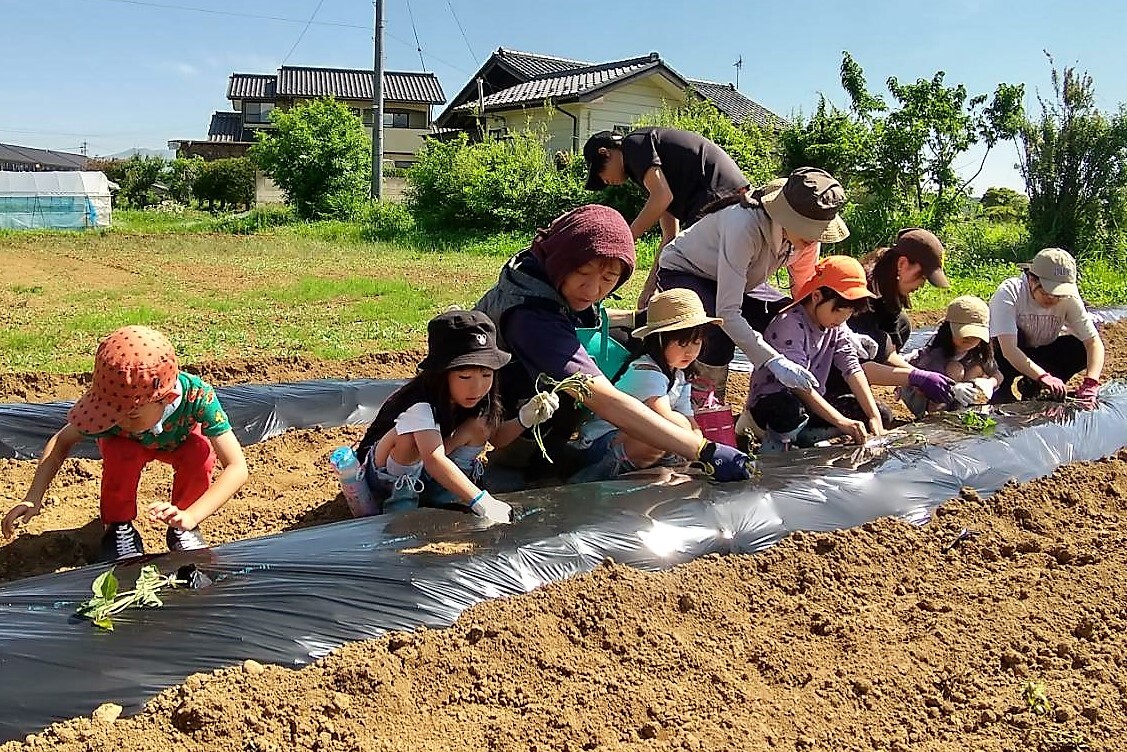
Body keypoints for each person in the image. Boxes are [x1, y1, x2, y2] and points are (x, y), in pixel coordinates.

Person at [474, 204, 753, 485]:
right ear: (562, 260)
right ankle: (520, 468)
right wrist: (703, 450)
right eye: (583, 272)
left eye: (608, 279)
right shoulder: (530, 317)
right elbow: (601, 396)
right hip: (488, 426)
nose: (594, 290)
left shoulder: (548, 273)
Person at [1, 325, 248, 561]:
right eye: (108, 412)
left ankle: (182, 526)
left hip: (177, 442)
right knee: (120, 452)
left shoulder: (198, 397)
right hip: (127, 446)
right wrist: (33, 497)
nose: (116, 419)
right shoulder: (116, 407)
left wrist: (192, 514)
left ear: (166, 398)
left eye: (130, 414)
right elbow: (61, 441)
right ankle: (118, 526)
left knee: (200, 451)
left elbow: (237, 467)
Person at [649, 166, 851, 405]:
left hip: (740, 278)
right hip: (687, 270)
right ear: (787, 216)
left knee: (787, 317)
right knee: (715, 328)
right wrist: (774, 361)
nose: (815, 239)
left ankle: (770, 403)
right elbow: (728, 312)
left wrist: (842, 333)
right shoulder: (744, 226)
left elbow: (805, 296)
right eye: (809, 230)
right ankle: (702, 404)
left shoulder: (806, 240)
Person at [353, 310, 559, 524]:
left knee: (480, 425)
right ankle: (400, 504)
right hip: (383, 476)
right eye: (464, 376)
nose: (477, 387)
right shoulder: (418, 403)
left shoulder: (482, 399)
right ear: (441, 374)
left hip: (428, 467)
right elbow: (434, 459)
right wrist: (481, 501)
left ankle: (443, 493)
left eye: (486, 375)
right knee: (409, 437)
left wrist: (525, 419)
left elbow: (496, 439)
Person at [582, 127, 751, 306]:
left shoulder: (633, 145)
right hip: (728, 199)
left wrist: (623, 240)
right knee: (700, 267)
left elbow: (662, 197)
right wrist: (649, 288)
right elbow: (670, 237)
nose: (604, 181)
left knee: (682, 269)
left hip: (718, 197)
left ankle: (705, 324)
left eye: (599, 173)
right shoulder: (656, 170)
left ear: (605, 153)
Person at [569, 288, 720, 482]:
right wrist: (698, 448)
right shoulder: (646, 371)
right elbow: (662, 417)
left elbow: (689, 419)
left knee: (680, 430)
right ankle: (591, 478)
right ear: (659, 339)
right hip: (600, 444)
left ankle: (666, 470)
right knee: (666, 432)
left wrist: (702, 445)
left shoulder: (680, 374)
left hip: (636, 438)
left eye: (696, 343)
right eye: (682, 344)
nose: (690, 352)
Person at [746, 256, 886, 451]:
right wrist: (841, 421)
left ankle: (804, 437)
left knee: (880, 413)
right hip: (774, 403)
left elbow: (852, 367)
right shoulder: (789, 324)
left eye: (848, 313)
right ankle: (771, 443)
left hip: (811, 404)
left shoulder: (837, 326)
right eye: (838, 311)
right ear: (817, 296)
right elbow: (798, 386)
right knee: (789, 411)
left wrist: (873, 416)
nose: (842, 319)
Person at [819, 228, 960, 412]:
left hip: (862, 358)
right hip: (827, 365)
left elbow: (888, 353)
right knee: (879, 343)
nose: (921, 285)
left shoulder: (888, 290)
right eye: (922, 277)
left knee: (902, 325)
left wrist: (921, 376)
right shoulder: (858, 299)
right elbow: (860, 363)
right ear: (902, 264)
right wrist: (915, 377)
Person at [988, 248, 1104, 407]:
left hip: (1041, 351)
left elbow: (1093, 343)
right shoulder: (1010, 292)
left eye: (1059, 295)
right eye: (1048, 292)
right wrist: (1043, 377)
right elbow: (1009, 350)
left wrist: (1091, 383)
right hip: (1006, 356)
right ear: (1032, 280)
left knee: (1078, 347)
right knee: (1001, 398)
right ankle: (1004, 387)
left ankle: (1035, 386)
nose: (1053, 299)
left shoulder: (1069, 299)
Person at [899, 295, 1002, 417]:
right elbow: (925, 385)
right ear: (948, 329)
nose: (970, 340)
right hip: (924, 396)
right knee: (955, 369)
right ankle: (938, 415)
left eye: (975, 336)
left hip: (954, 394)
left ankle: (959, 409)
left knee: (977, 369)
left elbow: (998, 375)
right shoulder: (935, 355)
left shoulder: (978, 354)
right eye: (965, 334)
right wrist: (953, 388)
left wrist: (990, 383)